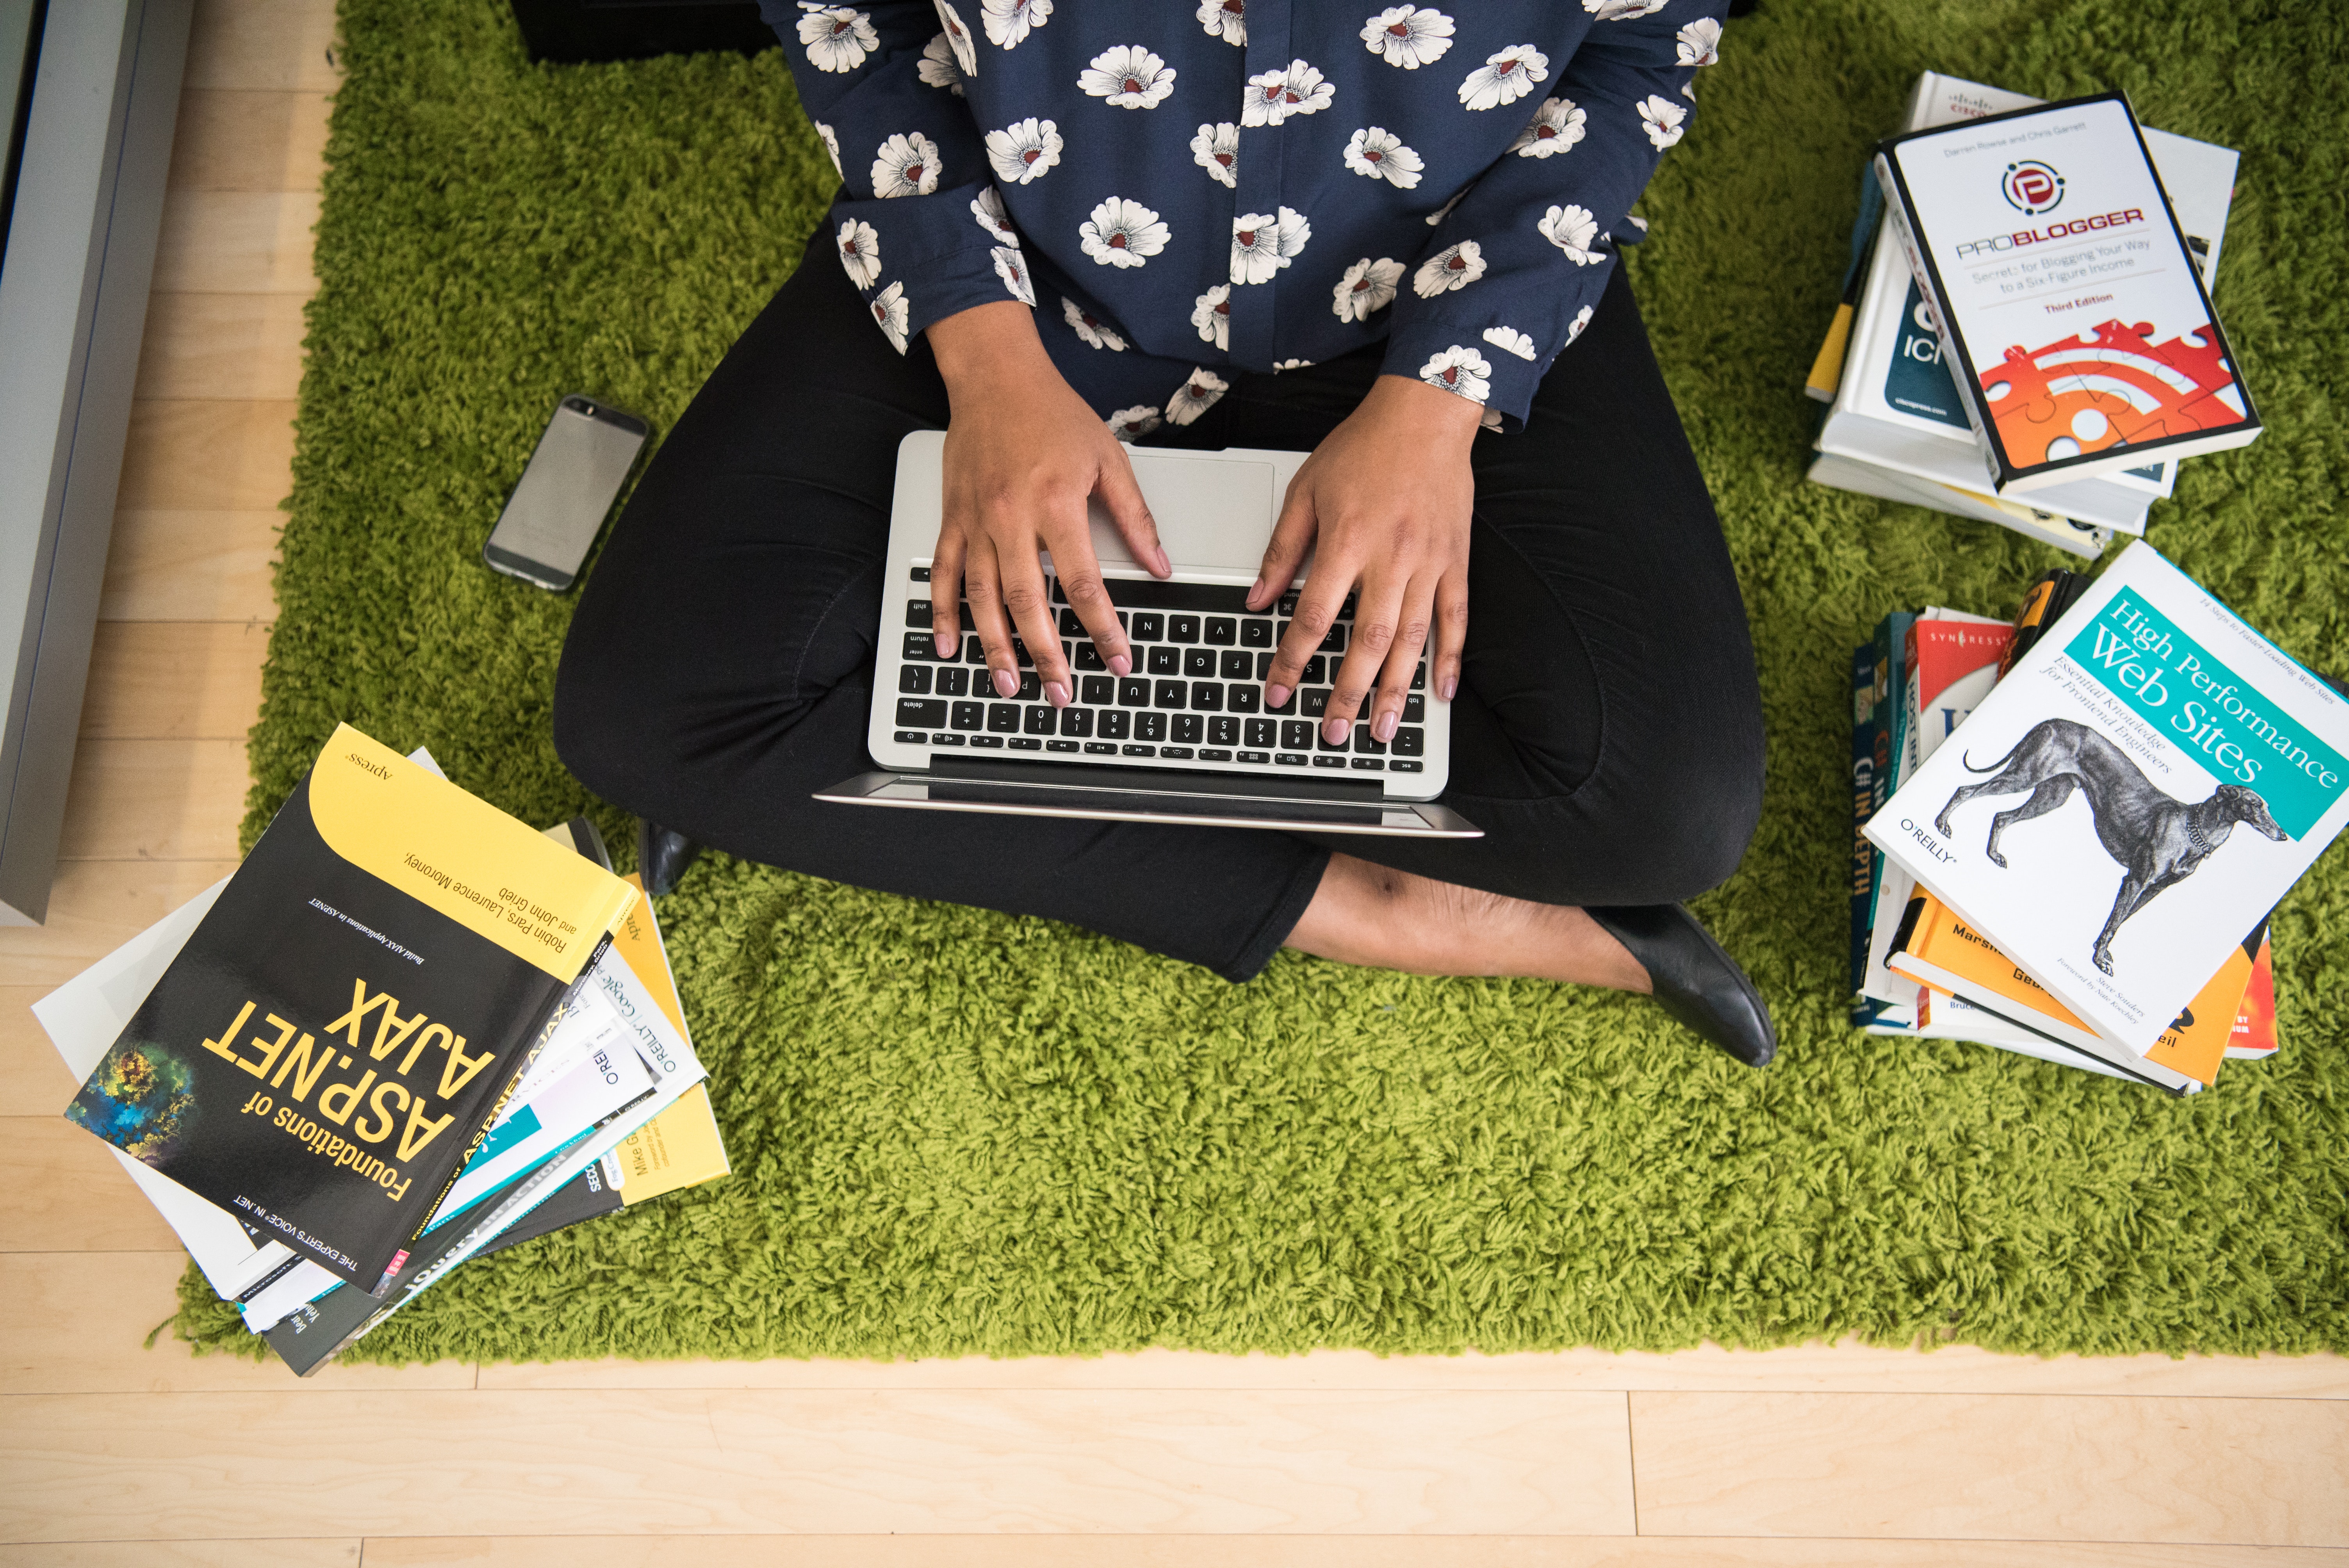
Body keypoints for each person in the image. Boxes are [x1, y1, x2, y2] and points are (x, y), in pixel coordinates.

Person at [556, 0, 1777, 1064]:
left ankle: (866, 785)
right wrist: (986, 360)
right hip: (1021, 276)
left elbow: (1642, 49)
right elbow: (851, 17)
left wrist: (1438, 403)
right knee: (650, 707)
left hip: (1438, 288)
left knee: (1669, 810)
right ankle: (1379, 905)